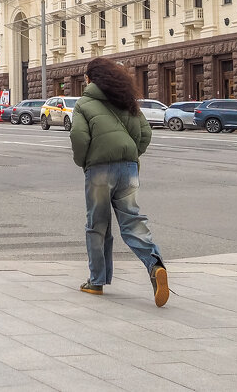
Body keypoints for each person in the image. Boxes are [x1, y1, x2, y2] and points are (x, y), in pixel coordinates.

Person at [69, 57, 169, 308]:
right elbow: (145, 133)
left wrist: (84, 162)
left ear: (91, 80)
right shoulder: (127, 101)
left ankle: (96, 281)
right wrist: (132, 154)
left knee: (97, 225)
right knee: (133, 221)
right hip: (129, 168)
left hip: (100, 169)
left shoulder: (84, 103)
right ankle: (155, 265)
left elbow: (78, 137)